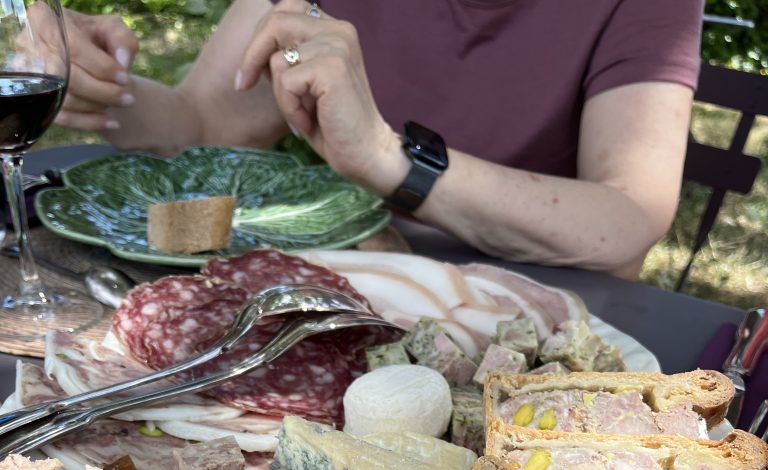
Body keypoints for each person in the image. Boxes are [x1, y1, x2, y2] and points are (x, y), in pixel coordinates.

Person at [56, 0, 704, 277]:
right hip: (338, 301)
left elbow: (626, 218)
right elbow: (202, 128)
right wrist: (92, 82)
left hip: (521, 333)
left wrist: (390, 161)